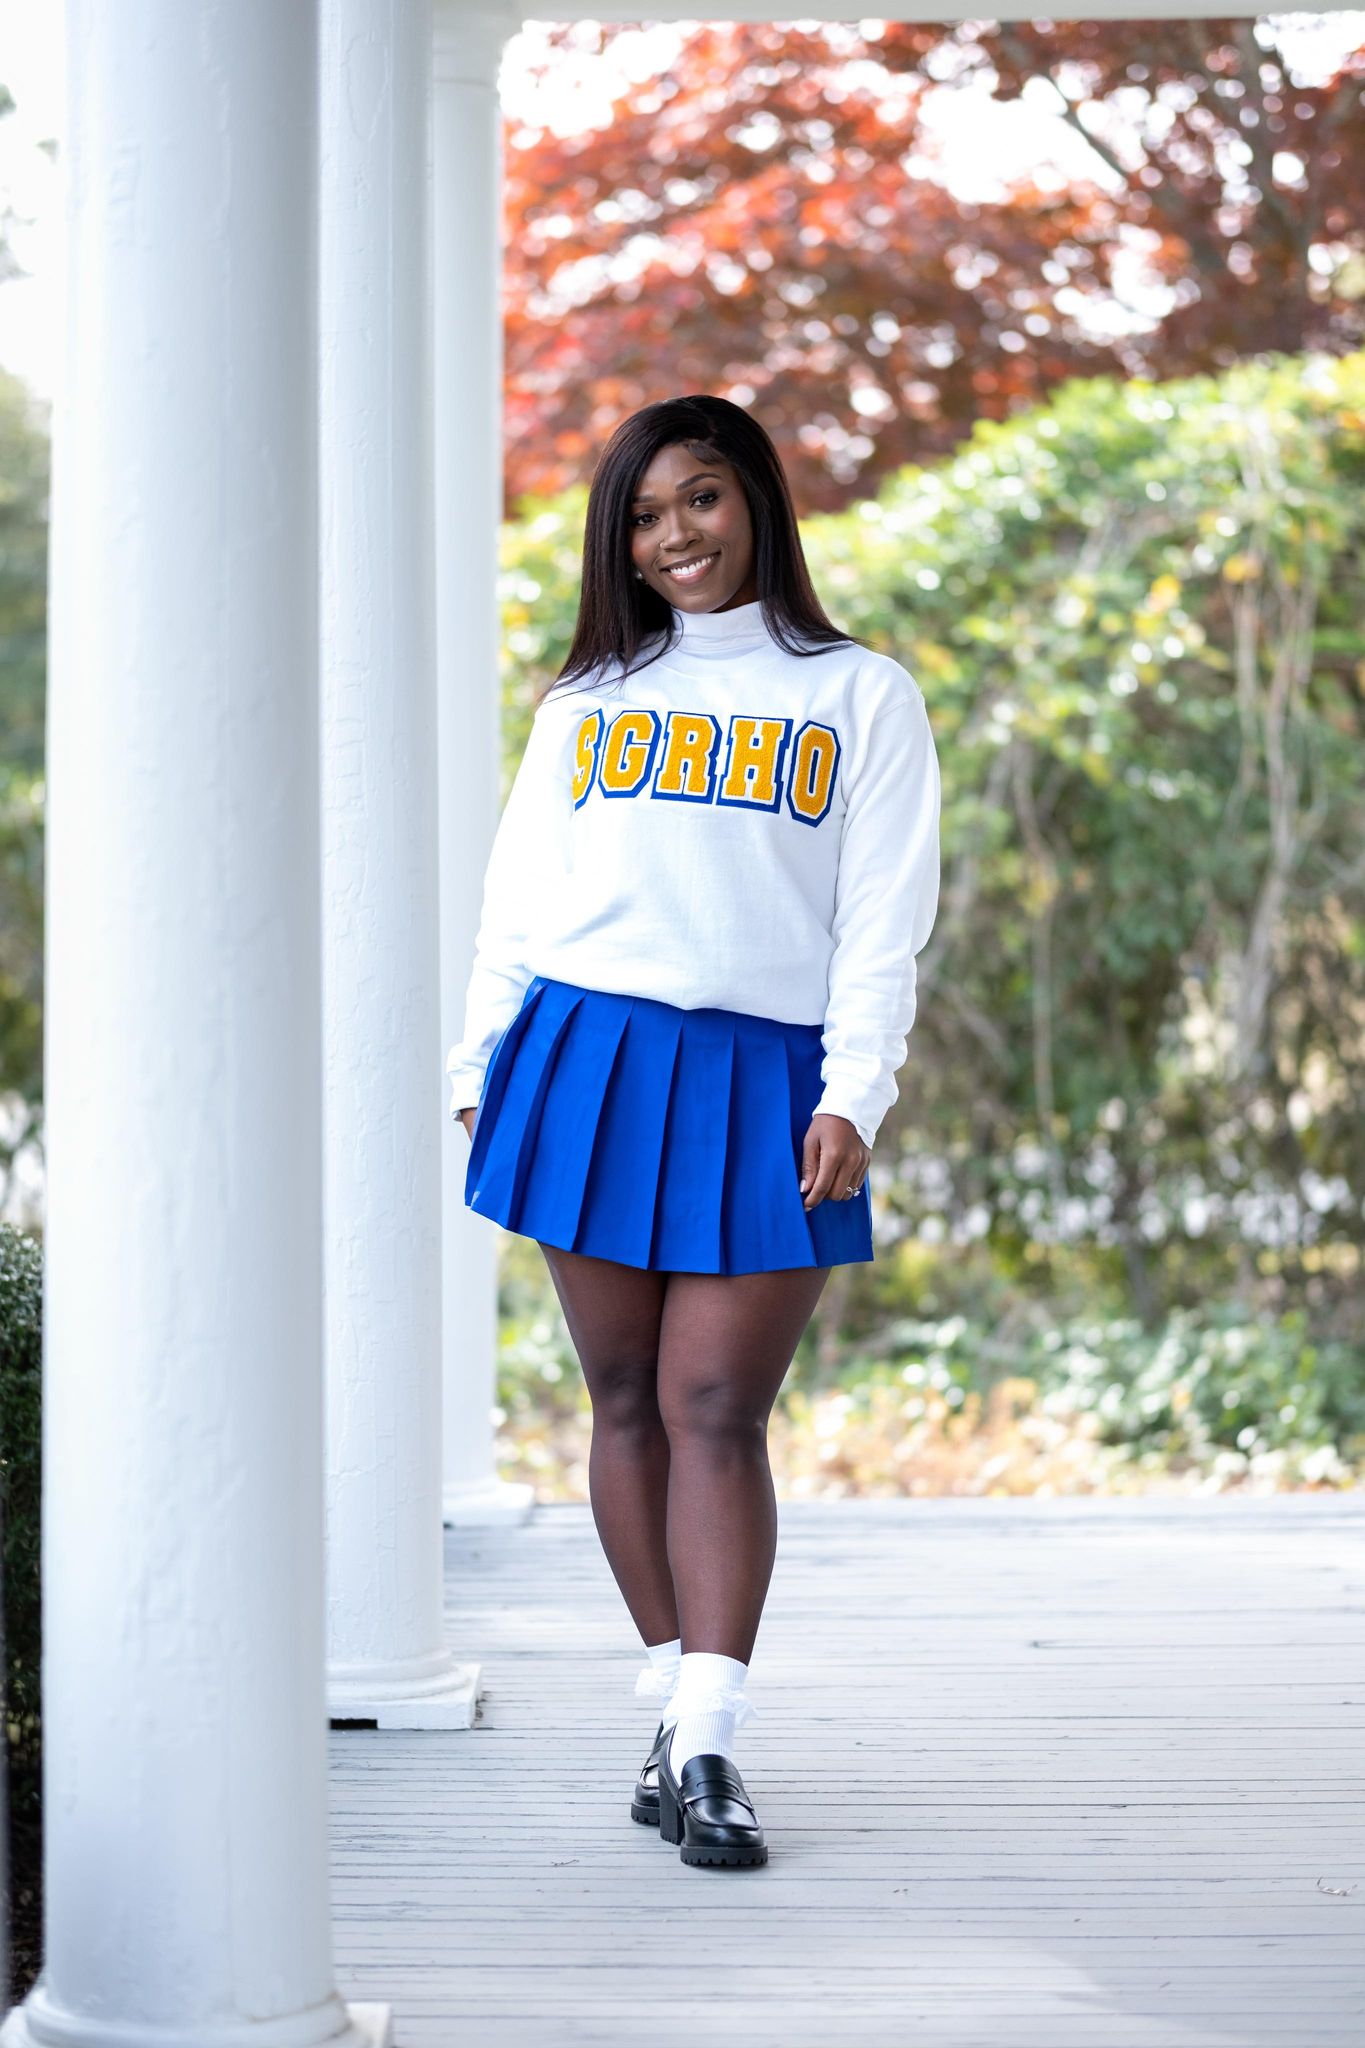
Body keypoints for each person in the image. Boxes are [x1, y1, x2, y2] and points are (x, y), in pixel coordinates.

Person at [446, 394, 941, 1869]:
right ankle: (676, 1708)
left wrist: (854, 1090)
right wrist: (476, 1067)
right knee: (618, 1399)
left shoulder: (859, 694)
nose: (676, 537)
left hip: (763, 1077)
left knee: (714, 1406)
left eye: (702, 501)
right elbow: (516, 908)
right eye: (646, 516)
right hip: (581, 1056)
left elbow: (881, 921)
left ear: (758, 505)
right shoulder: (586, 705)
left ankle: (711, 1745)